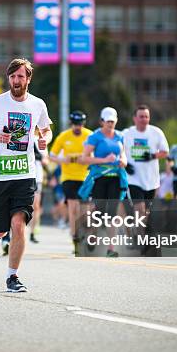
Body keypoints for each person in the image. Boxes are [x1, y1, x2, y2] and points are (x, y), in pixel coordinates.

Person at [0, 58, 52, 292]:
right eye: (12, 77)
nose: (16, 81)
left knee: (19, 224)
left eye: (20, 76)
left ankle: (12, 276)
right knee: (0, 227)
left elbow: (47, 129)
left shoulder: (38, 104)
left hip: (25, 173)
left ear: (28, 78)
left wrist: (44, 139)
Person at [80, 107, 128, 258]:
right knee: (98, 211)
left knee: (112, 213)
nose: (110, 124)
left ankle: (111, 248)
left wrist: (123, 161)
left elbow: (124, 156)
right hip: (100, 178)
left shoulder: (120, 136)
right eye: (107, 121)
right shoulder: (95, 137)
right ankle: (92, 236)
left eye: (112, 121)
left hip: (115, 178)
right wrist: (104, 160)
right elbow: (84, 158)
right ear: (102, 121)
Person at [122, 105, 169, 251]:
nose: (144, 119)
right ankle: (141, 241)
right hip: (133, 178)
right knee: (139, 209)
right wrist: (125, 164)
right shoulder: (126, 133)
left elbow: (165, 152)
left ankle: (139, 234)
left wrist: (153, 155)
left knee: (146, 212)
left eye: (146, 116)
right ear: (135, 118)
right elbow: (118, 149)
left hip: (151, 180)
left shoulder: (156, 132)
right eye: (141, 116)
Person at [49, 110, 92, 255]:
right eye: (75, 124)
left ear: (83, 124)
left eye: (79, 124)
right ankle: (75, 239)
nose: (77, 127)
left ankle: (83, 234)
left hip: (85, 177)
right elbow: (52, 155)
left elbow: (96, 153)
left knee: (84, 211)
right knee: (73, 208)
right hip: (68, 177)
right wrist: (62, 160)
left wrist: (86, 157)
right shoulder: (63, 136)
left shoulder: (89, 135)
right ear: (71, 124)